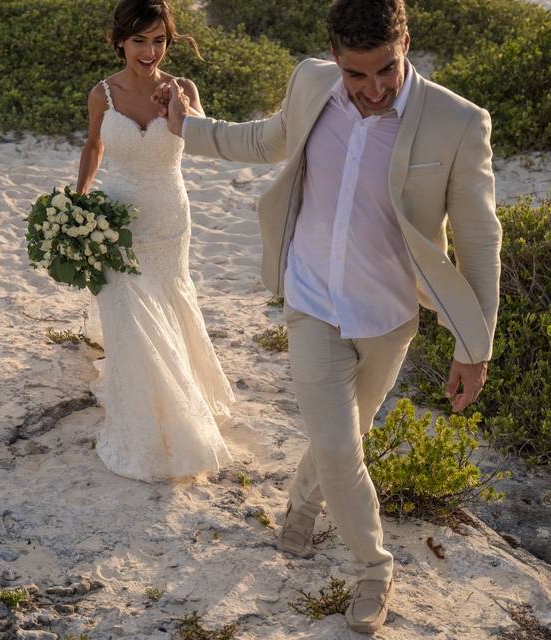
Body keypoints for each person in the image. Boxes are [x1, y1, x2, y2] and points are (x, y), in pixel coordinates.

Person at [155, 0, 501, 632]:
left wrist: (473, 346)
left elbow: (479, 240)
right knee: (341, 446)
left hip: (388, 317)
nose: (372, 90)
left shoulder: (457, 122)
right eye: (356, 75)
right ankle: (375, 568)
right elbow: (263, 140)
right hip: (311, 300)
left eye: (386, 71)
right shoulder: (313, 82)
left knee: (347, 436)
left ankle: (302, 503)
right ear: (336, 61)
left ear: (406, 42)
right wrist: (189, 126)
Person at [74, 0, 248, 483]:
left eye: (159, 41)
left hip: (169, 215)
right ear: (120, 42)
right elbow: (94, 146)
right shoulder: (102, 94)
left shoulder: (183, 88)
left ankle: (181, 406)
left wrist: (181, 110)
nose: (150, 51)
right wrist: (78, 201)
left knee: (168, 299)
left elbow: (205, 141)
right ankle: (145, 414)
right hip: (117, 217)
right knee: (128, 309)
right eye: (139, 41)